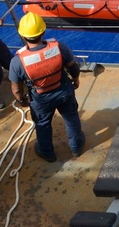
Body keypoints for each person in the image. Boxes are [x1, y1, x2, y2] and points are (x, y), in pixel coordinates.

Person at [9, 12, 85, 162]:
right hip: (63, 91)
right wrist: (75, 80)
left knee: (42, 125)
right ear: (43, 32)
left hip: (40, 98)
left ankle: (47, 153)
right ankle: (76, 147)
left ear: (23, 35)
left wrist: (21, 100)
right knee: (71, 118)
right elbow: (73, 67)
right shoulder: (60, 48)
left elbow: (17, 88)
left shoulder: (17, 62)